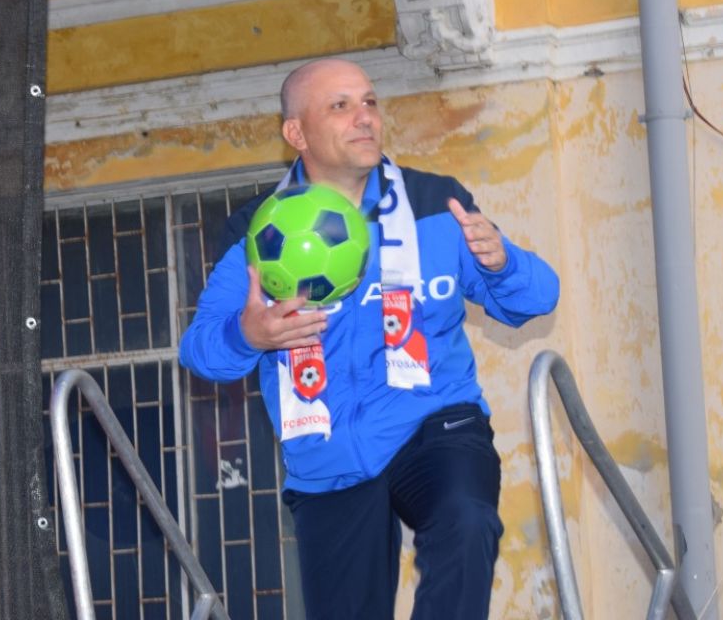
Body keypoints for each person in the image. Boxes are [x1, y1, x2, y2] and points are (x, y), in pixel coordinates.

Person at [179, 58, 559, 619]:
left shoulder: (436, 203)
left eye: (370, 103)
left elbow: (537, 298)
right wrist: (248, 334)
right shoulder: (258, 230)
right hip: (326, 456)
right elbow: (200, 349)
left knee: (465, 520)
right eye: (340, 106)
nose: (365, 118)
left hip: (434, 423)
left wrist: (503, 263)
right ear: (296, 133)